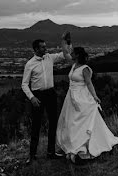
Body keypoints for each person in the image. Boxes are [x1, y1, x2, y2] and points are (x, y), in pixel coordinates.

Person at [55, 45, 118, 163]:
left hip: (81, 97)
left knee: (80, 122)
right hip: (70, 97)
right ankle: (71, 144)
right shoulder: (74, 65)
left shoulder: (85, 69)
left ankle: (83, 146)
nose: (71, 54)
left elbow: (89, 84)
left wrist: (95, 96)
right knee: (70, 121)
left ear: (78, 55)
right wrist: (64, 42)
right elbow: (65, 54)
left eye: (73, 53)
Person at [21, 32, 71, 164]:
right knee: (36, 126)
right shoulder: (29, 64)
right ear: (36, 49)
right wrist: (31, 98)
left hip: (50, 94)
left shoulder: (49, 58)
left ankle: (51, 152)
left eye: (45, 46)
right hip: (37, 96)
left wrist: (66, 42)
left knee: (53, 123)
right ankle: (32, 156)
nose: (45, 49)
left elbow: (65, 55)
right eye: (43, 47)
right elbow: (24, 84)